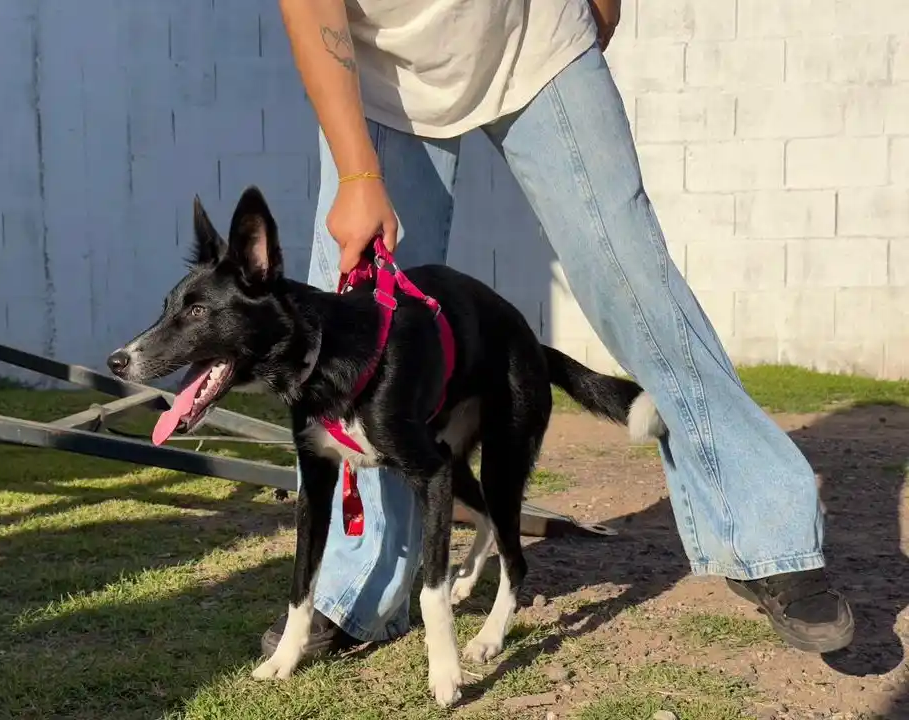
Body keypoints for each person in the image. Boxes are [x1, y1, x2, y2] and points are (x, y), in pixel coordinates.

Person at [263, 0, 854, 660]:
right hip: (381, 77)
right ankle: (355, 589)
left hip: (535, 37)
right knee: (353, 338)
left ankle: (768, 537)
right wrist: (358, 174)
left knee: (637, 281)